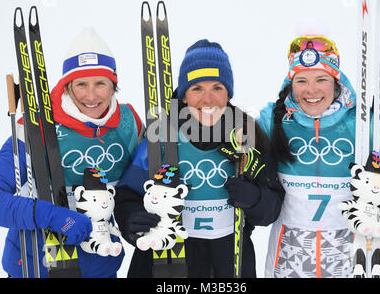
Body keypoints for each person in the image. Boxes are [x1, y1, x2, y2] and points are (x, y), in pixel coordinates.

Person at [0, 27, 143, 278]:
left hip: (102, 267)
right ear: (67, 87)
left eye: (100, 83)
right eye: (81, 84)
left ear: (113, 86)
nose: (91, 95)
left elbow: (139, 189)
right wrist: (48, 215)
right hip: (36, 267)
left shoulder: (129, 125)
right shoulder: (37, 127)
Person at [114, 39, 285, 278]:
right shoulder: (160, 135)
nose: (208, 99)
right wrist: (132, 220)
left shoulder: (246, 134)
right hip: (165, 265)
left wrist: (256, 198)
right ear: (183, 96)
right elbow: (126, 196)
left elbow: (272, 207)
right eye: (197, 89)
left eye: (217, 88)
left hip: (229, 263)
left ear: (228, 93)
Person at [257, 33, 380, 278]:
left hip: (350, 251)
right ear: (291, 83)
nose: (311, 90)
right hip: (289, 251)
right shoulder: (274, 120)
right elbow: (237, 152)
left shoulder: (362, 124)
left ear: (336, 81)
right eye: (301, 80)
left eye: (321, 79)